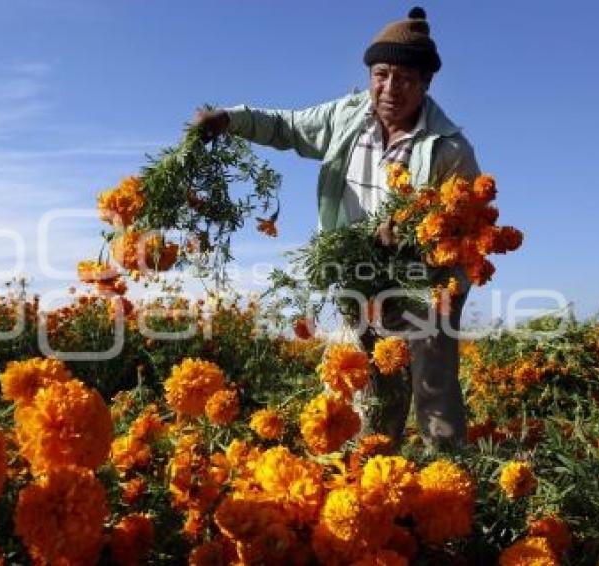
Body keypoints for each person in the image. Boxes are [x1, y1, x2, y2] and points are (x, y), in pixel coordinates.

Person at [194, 7, 480, 448]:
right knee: (354, 377)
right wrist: (230, 119)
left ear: (425, 83)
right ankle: (366, 465)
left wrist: (416, 231)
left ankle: (449, 474)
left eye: (404, 78)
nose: (389, 89)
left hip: (427, 282)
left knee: (433, 387)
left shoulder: (448, 148)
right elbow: (286, 127)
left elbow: (467, 225)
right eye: (381, 74)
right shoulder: (347, 118)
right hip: (359, 273)